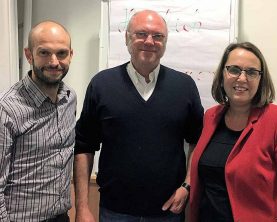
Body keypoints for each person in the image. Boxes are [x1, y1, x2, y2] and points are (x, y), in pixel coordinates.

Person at [73, 9, 204, 222]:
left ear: (165, 42)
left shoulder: (184, 87)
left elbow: (198, 140)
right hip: (115, 211)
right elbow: (84, 146)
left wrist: (187, 185)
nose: (149, 41)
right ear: (127, 38)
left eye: (158, 36)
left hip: (168, 212)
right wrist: (82, 207)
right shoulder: (102, 84)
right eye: (141, 34)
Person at [189, 42, 277, 222]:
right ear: (223, 74)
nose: (242, 78)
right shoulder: (211, 116)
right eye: (234, 70)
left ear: (260, 79)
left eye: (251, 72)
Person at [0, 21, 76, 222]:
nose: (54, 62)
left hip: (61, 216)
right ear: (29, 54)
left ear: (71, 55)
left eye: (61, 53)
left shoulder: (70, 98)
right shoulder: (7, 108)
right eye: (44, 53)